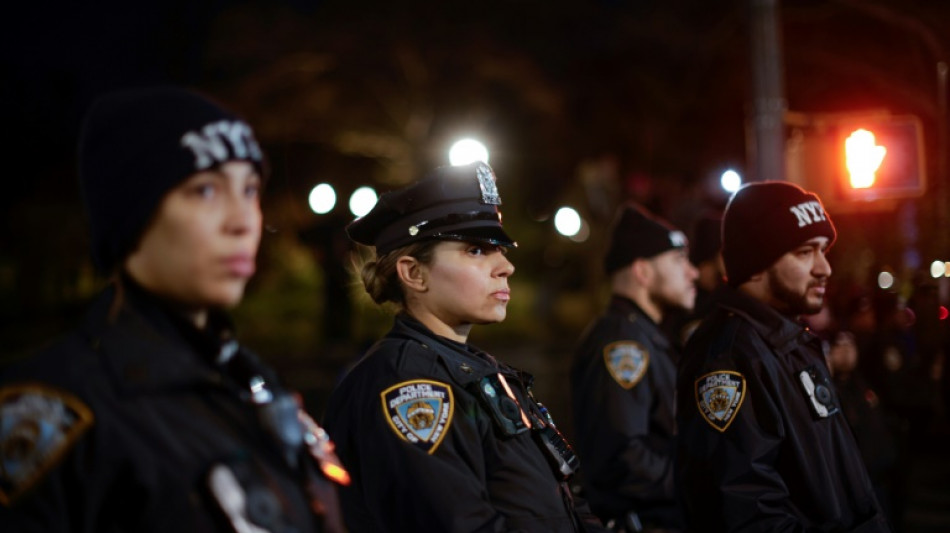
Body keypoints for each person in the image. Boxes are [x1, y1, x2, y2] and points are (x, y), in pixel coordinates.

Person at [0, 87, 347, 532]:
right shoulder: (53, 411)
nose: (242, 220)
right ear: (131, 215)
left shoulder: (249, 382)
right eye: (205, 190)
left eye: (250, 189)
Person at [323, 161, 607, 532]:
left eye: (500, 249)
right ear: (413, 273)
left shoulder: (470, 368)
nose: (505, 266)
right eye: (475, 250)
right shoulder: (408, 385)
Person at [675, 181, 891, 532]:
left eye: (823, 250)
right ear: (756, 262)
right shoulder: (729, 356)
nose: (825, 268)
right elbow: (748, 515)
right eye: (805, 252)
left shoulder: (787, 341)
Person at [569, 204, 697, 532]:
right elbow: (622, 459)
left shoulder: (644, 335)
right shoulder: (623, 344)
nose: (692, 272)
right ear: (642, 271)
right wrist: (700, 480)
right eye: (678, 259)